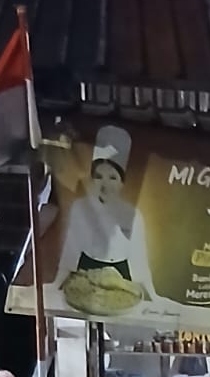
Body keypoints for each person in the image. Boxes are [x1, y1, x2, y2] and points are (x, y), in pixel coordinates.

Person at [54, 125, 164, 308]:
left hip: (121, 281)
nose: (105, 184)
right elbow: (69, 253)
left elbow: (140, 261)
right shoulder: (80, 208)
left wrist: (154, 297)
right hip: (85, 275)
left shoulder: (133, 214)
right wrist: (56, 285)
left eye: (112, 177)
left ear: (121, 182)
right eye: (99, 177)